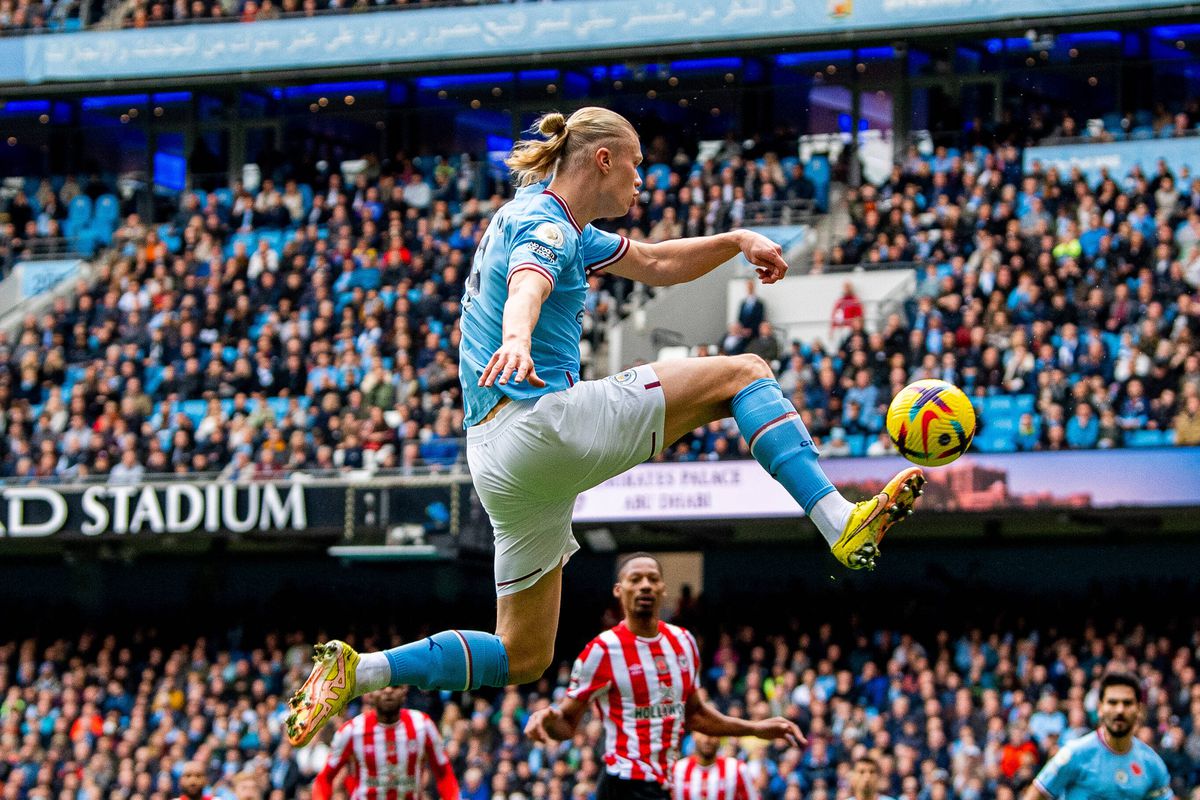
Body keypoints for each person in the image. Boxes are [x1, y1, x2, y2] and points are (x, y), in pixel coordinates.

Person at [284, 108, 924, 746]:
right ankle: (838, 520)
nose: (642, 180)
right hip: (543, 422)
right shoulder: (547, 226)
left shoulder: (546, 215)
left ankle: (361, 670)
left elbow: (654, 262)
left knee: (523, 653)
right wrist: (517, 339)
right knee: (745, 373)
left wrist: (735, 241)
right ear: (603, 160)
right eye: (637, 165)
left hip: (499, 463)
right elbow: (526, 286)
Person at [524, 553, 802, 800]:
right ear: (619, 591)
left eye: (652, 579)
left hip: (661, 782)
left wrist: (755, 728)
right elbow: (567, 724)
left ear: (663, 589)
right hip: (625, 781)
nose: (645, 585)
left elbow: (695, 715)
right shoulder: (602, 650)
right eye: (635, 579)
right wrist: (548, 718)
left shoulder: (683, 642)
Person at [1024, 671, 1173, 799]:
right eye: (1112, 702)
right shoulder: (1075, 754)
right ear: (1100, 708)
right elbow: (1036, 795)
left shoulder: (1152, 764)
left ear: (1139, 709)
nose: (1120, 710)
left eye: (1127, 703)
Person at [311, 686, 459, 800]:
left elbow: (444, 772)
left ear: (404, 690)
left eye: (395, 686)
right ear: (370, 693)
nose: (388, 691)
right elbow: (324, 779)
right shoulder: (351, 731)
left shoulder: (423, 725)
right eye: (381, 687)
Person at [671, 731, 758, 800]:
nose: (706, 740)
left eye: (712, 734)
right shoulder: (677, 769)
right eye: (702, 733)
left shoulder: (737, 769)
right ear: (694, 735)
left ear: (720, 737)